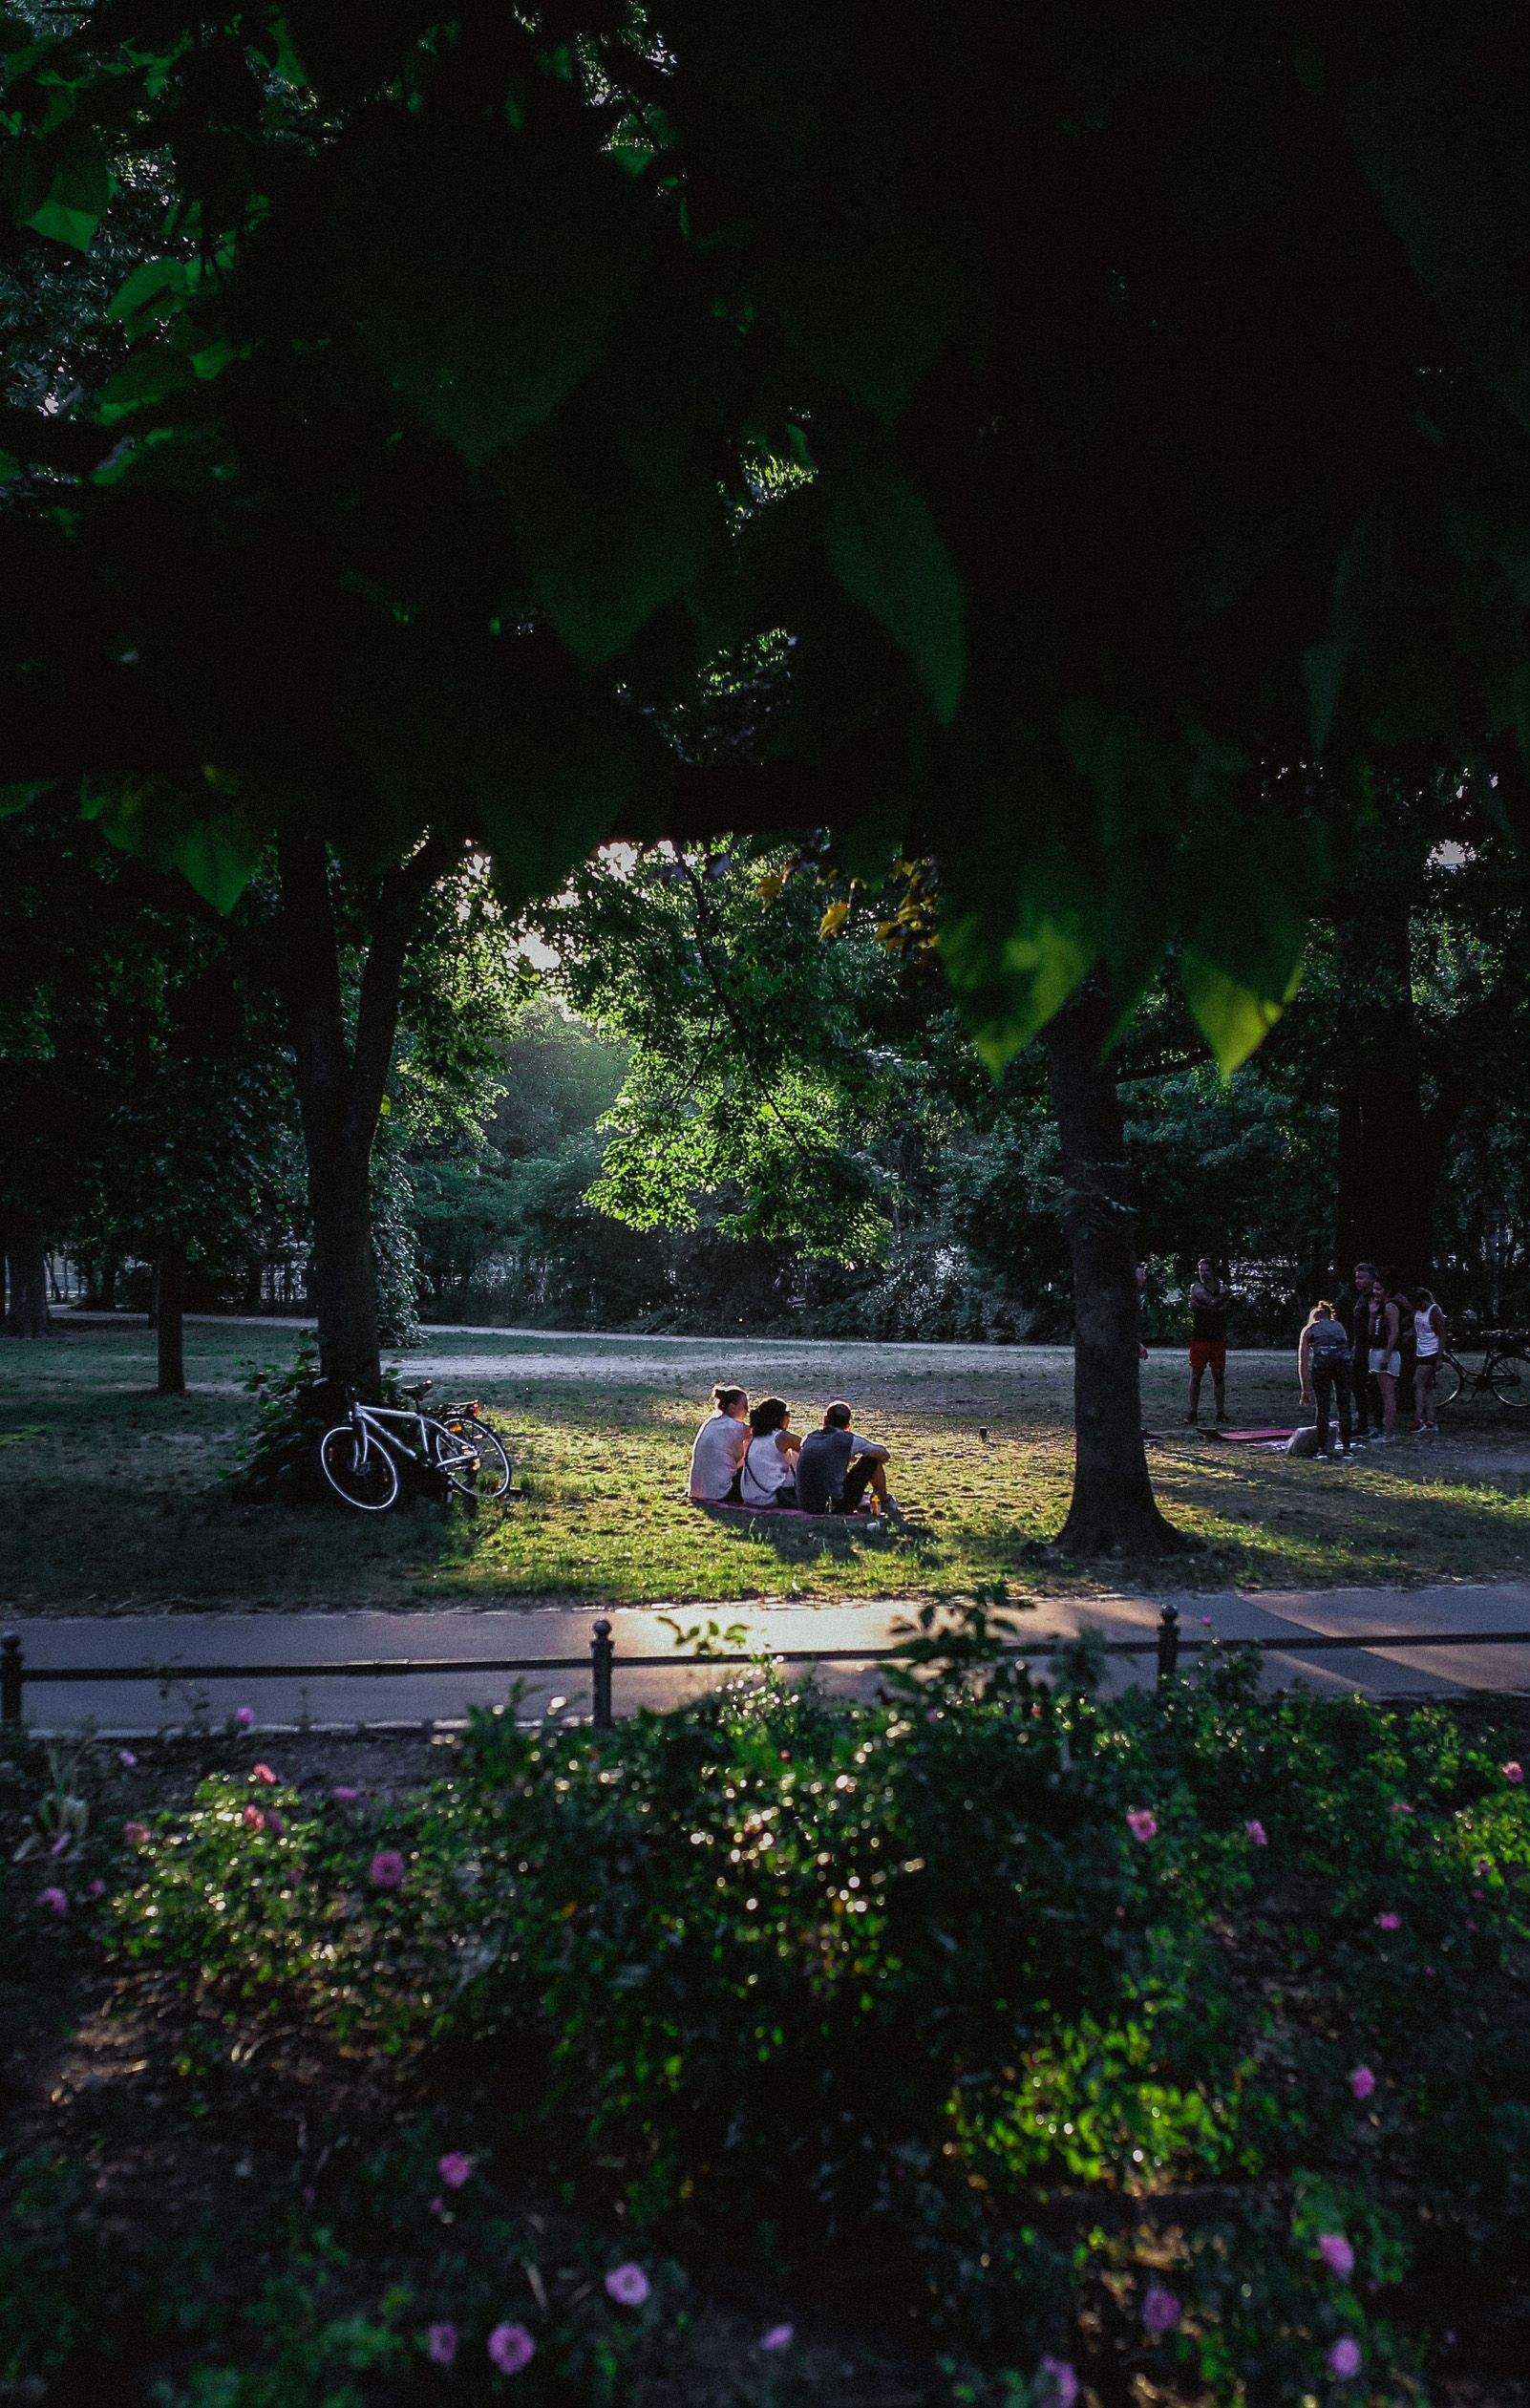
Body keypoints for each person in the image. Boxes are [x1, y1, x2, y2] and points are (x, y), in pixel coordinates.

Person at [797, 1401, 892, 1516]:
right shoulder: (848, 1440)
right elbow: (884, 1454)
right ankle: (885, 1500)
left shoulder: (809, 1438)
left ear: (825, 1420)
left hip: (806, 1504)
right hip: (834, 1506)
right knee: (871, 1461)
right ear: (848, 1425)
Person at [1298, 1301, 1352, 1459]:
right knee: (1344, 1405)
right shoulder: (1339, 1327)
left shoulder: (1310, 1328)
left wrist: (1305, 1390)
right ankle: (1347, 1448)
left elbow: (1303, 1360)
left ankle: (1322, 1449)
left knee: (1323, 1407)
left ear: (1314, 1317)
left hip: (1322, 1364)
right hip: (1344, 1363)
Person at [1186, 1256, 1234, 1425]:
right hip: (1199, 1338)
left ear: (1213, 1271)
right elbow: (1215, 1302)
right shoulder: (1196, 1287)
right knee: (1196, 1375)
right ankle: (1193, 1412)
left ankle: (1220, 1412)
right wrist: (1216, 1307)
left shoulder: (1223, 1288)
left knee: (1218, 1376)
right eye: (1201, 1270)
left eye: (1206, 1270)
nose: (1203, 1274)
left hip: (1217, 1338)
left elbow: (1219, 1304)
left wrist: (1203, 1307)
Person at [689, 1383, 750, 1502]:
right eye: (745, 1407)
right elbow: (763, 1435)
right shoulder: (736, 1427)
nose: (747, 1411)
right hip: (722, 1493)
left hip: (698, 1491)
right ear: (732, 1407)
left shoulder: (710, 1422)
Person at [738, 1396, 802, 1507]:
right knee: (799, 1455)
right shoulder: (781, 1437)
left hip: (750, 1496)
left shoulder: (754, 1438)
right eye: (788, 1415)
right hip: (772, 1496)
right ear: (778, 1418)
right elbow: (810, 1449)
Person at [1344, 1263, 1379, 1444]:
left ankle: (1375, 1424)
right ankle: (1363, 1422)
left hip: (1369, 1348)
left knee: (1370, 1386)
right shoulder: (1361, 1297)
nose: (1358, 1281)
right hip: (1359, 1347)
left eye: (1362, 1277)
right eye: (1356, 1277)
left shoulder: (1374, 1298)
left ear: (1372, 1279)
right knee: (1357, 1385)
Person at [1365, 1276, 1402, 1441]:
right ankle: (1385, 1432)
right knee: (1383, 1394)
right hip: (1377, 1350)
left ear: (1387, 1290)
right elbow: (1372, 1332)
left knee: (1388, 1395)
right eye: (1374, 1288)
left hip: (1388, 1353)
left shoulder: (1391, 1307)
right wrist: (1372, 1315)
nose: (1375, 1292)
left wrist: (1387, 1355)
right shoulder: (1379, 1308)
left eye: (1379, 1289)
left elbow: (1394, 1332)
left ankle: (1389, 1434)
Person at [1410, 1288, 1448, 1432]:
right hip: (1421, 1351)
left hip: (1431, 1351)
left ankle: (1418, 1417)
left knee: (1417, 1382)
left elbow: (1442, 1334)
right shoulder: (1417, 1311)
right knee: (1428, 1386)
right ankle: (1431, 1420)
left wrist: (1439, 1357)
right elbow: (1419, 1328)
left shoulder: (1434, 1311)